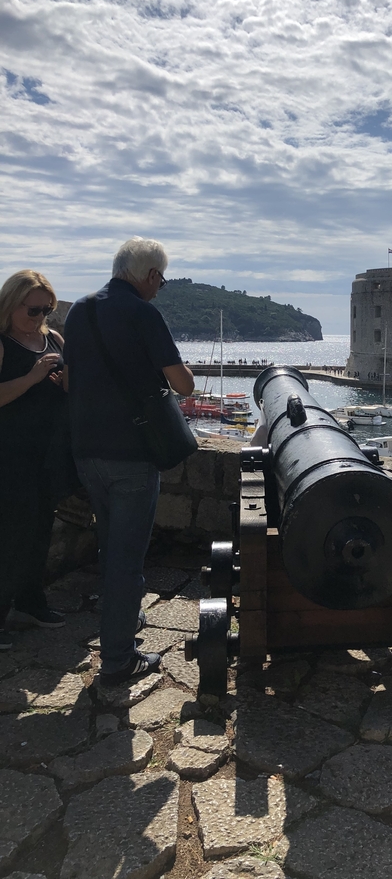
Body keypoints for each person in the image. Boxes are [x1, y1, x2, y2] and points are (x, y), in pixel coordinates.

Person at [64, 237, 194, 685]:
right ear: (150, 275)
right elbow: (183, 385)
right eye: (161, 278)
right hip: (132, 453)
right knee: (126, 556)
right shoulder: (143, 312)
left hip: (86, 448)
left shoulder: (79, 310)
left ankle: (126, 618)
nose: (160, 286)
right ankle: (119, 658)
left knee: (109, 546)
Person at [0, 270, 68, 650]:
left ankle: (31, 602)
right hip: (10, 456)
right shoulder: (3, 345)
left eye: (47, 309)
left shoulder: (54, 340)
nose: (40, 317)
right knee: (10, 536)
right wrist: (31, 377)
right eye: (33, 310)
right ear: (11, 305)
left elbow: (70, 391)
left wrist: (65, 381)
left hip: (46, 454)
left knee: (40, 531)